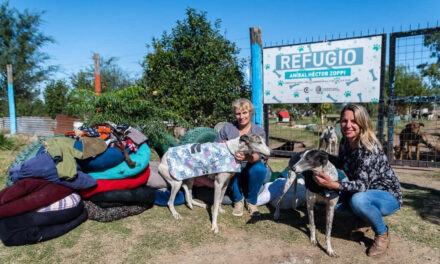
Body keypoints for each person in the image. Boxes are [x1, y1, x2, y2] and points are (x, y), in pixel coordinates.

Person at [313, 104, 402, 257]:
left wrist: (332, 184)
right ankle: (365, 220)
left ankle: (382, 233)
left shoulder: (368, 148)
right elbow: (342, 163)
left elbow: (361, 185)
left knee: (358, 201)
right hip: (365, 191)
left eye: (353, 121)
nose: (348, 125)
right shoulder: (345, 142)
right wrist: (322, 155)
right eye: (344, 121)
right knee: (331, 202)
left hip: (387, 196)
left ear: (362, 123)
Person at [215, 98, 267, 217]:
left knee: (260, 169)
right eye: (238, 113)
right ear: (235, 115)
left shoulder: (258, 131)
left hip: (250, 166)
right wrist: (223, 147)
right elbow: (216, 148)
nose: (241, 116)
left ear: (251, 113)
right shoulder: (227, 128)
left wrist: (247, 157)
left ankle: (251, 201)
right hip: (232, 166)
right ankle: (238, 200)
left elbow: (260, 155)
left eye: (245, 113)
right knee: (230, 167)